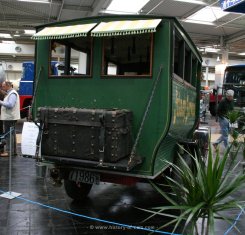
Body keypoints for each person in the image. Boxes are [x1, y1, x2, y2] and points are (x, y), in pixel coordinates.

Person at [0, 81, 20, 157]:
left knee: (9, 135)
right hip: (10, 117)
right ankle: (13, 151)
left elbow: (10, 105)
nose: (2, 88)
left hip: (10, 117)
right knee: (12, 134)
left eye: (3, 86)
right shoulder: (10, 93)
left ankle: (9, 152)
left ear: (8, 86)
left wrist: (0, 102)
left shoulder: (12, 94)